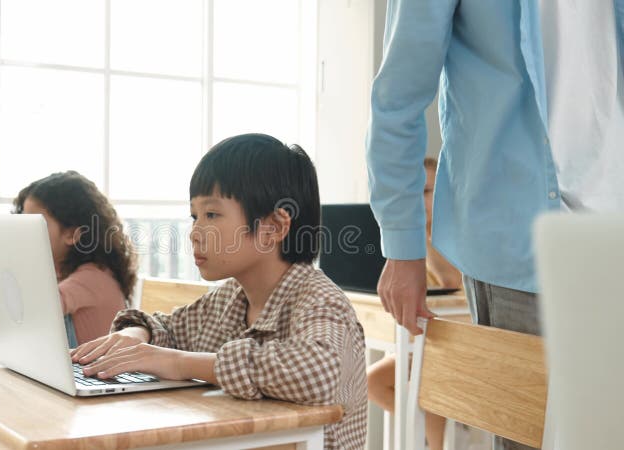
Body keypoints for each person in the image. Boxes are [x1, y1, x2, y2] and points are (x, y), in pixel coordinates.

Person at [366, 2, 623, 449]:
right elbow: (398, 96)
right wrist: (403, 247)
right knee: (533, 437)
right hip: (516, 238)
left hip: (613, 231)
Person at [71, 134, 368, 449]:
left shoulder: (320, 300)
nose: (195, 233)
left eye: (211, 215)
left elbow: (320, 373)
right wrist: (135, 335)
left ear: (274, 227)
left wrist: (180, 362)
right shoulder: (230, 297)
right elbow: (170, 328)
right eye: (194, 216)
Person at [0, 171, 137, 346]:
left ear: (72, 234)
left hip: (90, 372)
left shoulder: (93, 277)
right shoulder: (59, 272)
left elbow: (41, 305)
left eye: (36, 224)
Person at [367, 158, 461, 450]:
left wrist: (418, 237)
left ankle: (433, 444)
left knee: (428, 384)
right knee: (372, 382)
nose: (419, 201)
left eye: (426, 192)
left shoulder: (453, 237)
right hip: (419, 343)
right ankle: (419, 433)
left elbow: (449, 281)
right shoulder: (406, 246)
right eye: (413, 194)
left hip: (453, 344)